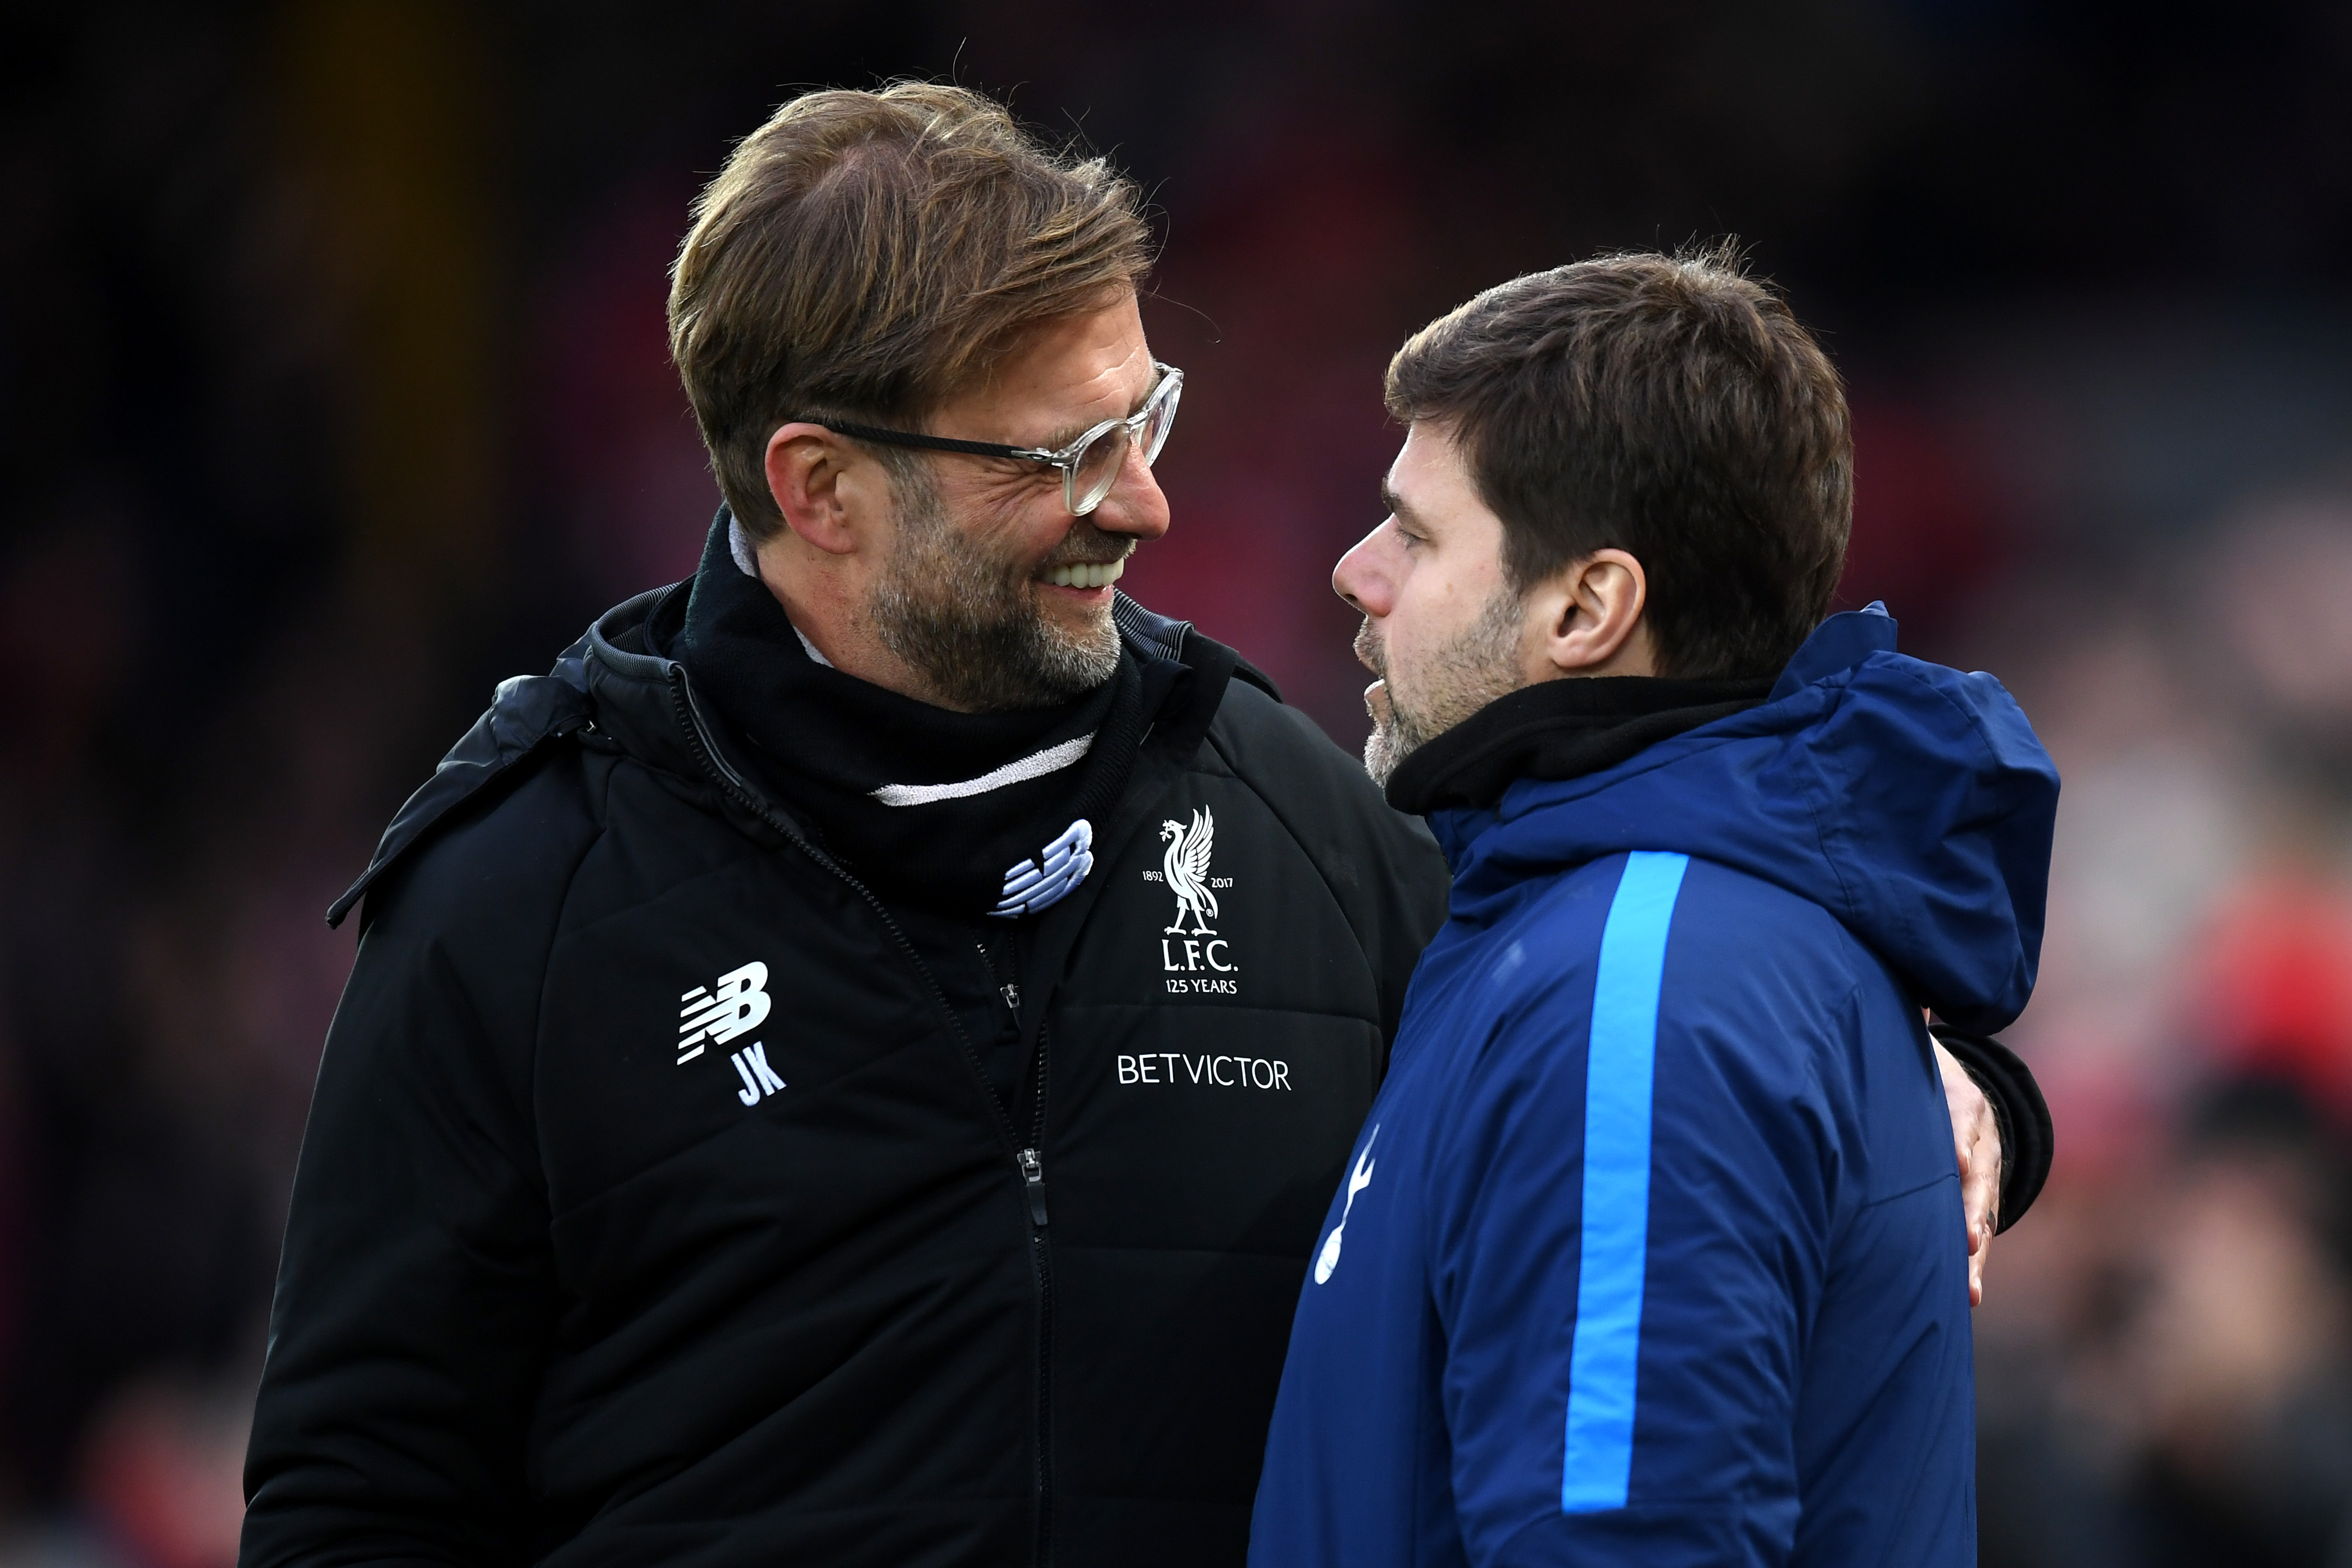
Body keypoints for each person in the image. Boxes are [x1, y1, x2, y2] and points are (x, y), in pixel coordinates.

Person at [238, 87, 2037, 1568]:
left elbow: (1637, 1059)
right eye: (1063, 453)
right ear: (821, 485)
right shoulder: (517, 889)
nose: (1150, 499)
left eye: (1146, 414)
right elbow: (357, 1498)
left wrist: (1944, 1076)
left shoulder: (1296, 816)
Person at [1248, 251, 2060, 1568]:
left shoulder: (1637, 993)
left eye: (1412, 530)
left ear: (1586, 606)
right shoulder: (1609, 938)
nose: (1355, 573)